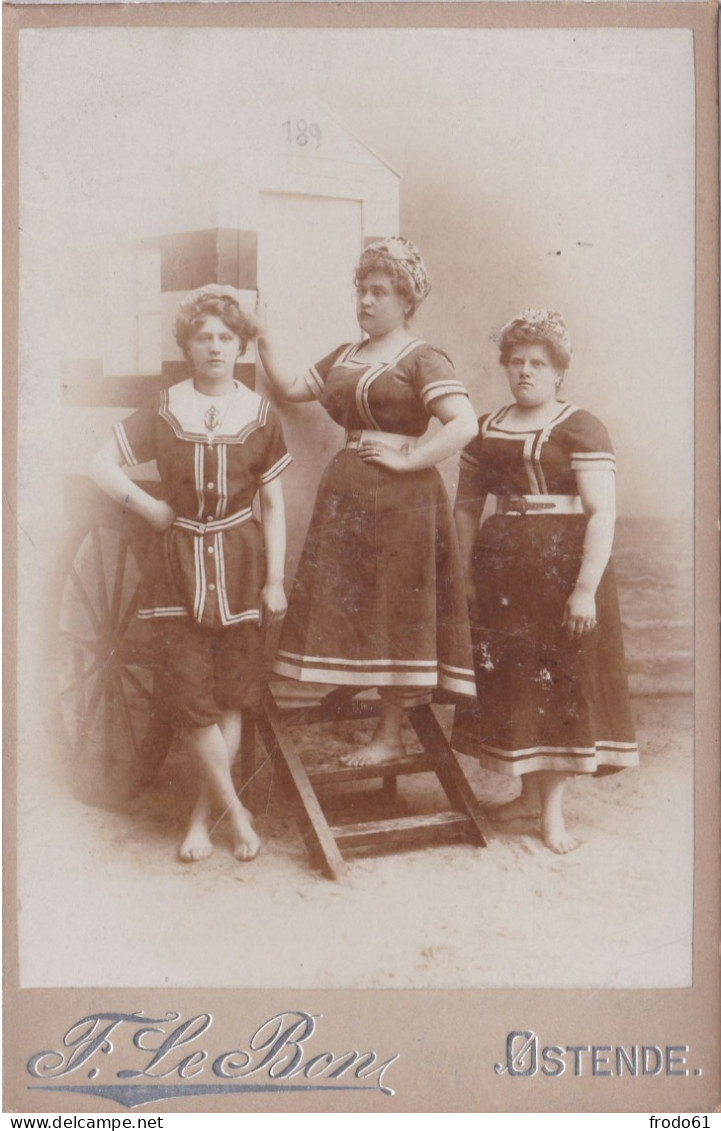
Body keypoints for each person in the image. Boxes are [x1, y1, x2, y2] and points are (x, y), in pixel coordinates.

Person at [253, 237, 478, 765]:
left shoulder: (422, 357)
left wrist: (410, 458)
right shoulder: (344, 356)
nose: (366, 301)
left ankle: (390, 733)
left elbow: (463, 423)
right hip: (348, 498)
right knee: (356, 610)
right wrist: (263, 335)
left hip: (405, 504)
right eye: (362, 290)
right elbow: (288, 386)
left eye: (380, 292)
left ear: (406, 301)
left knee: (398, 610)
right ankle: (374, 721)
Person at [90, 284, 291, 862]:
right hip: (177, 564)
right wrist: (149, 507)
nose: (215, 347)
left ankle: (204, 819)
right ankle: (238, 812)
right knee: (188, 695)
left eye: (227, 337)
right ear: (187, 345)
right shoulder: (164, 406)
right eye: (203, 337)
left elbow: (274, 504)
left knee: (229, 696)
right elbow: (99, 463)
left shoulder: (258, 414)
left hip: (241, 564)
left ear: (242, 345)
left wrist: (275, 580)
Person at [451, 309, 638, 853]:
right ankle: (527, 796)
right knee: (513, 681)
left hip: (561, 572)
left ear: (559, 371)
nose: (525, 372)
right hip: (502, 569)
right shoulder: (485, 428)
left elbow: (601, 512)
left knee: (556, 685)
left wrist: (583, 587)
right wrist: (464, 574)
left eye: (537, 363)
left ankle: (551, 815)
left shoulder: (581, 426)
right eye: (516, 362)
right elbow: (465, 509)